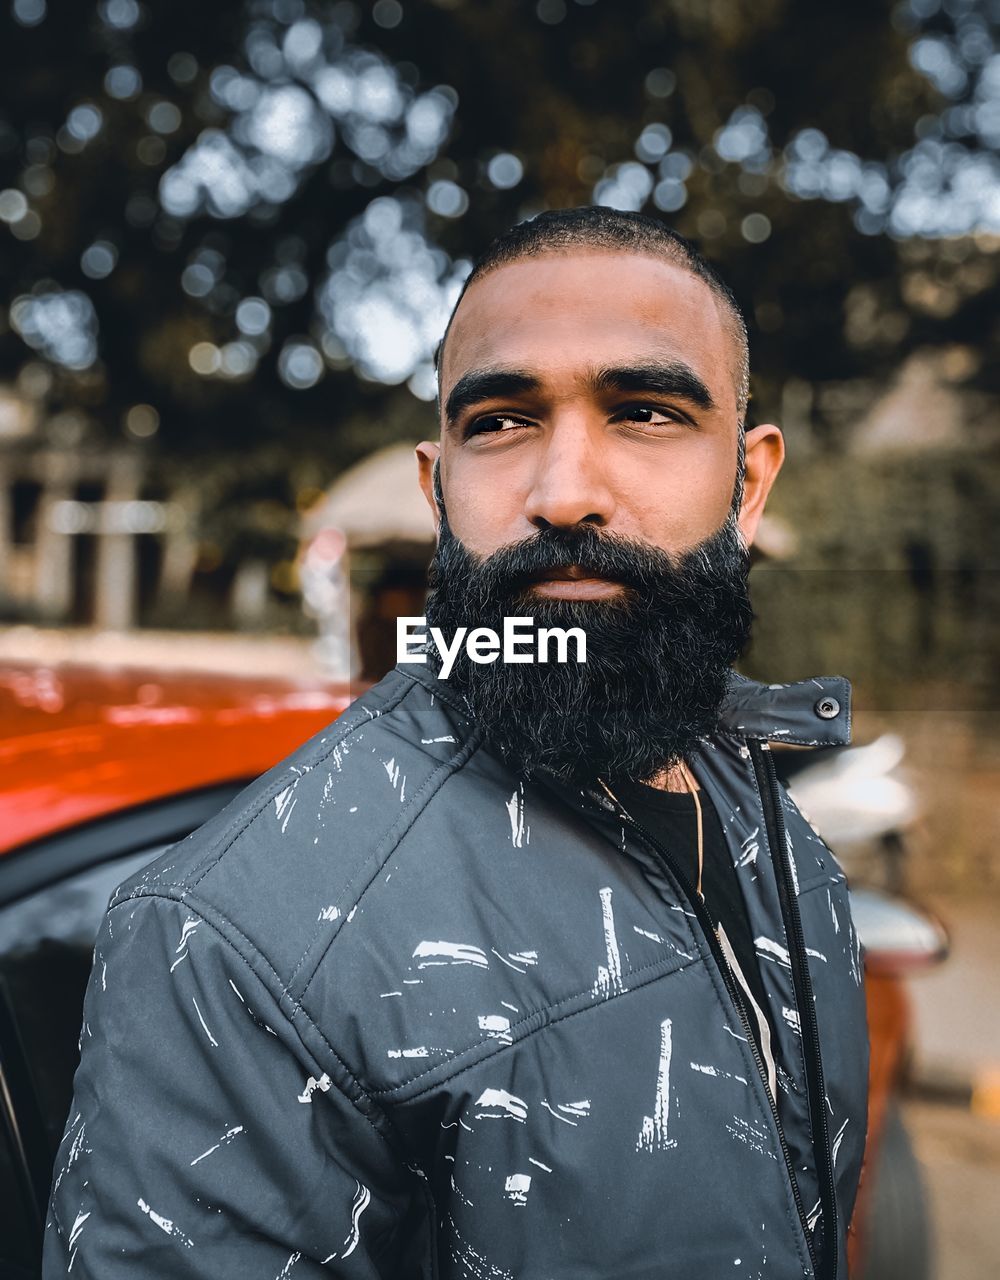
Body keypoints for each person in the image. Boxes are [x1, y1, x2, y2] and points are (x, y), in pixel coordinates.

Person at [43, 207, 869, 1280]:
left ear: (748, 485)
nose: (565, 489)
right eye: (500, 422)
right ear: (439, 491)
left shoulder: (759, 791)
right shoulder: (237, 943)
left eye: (647, 411)